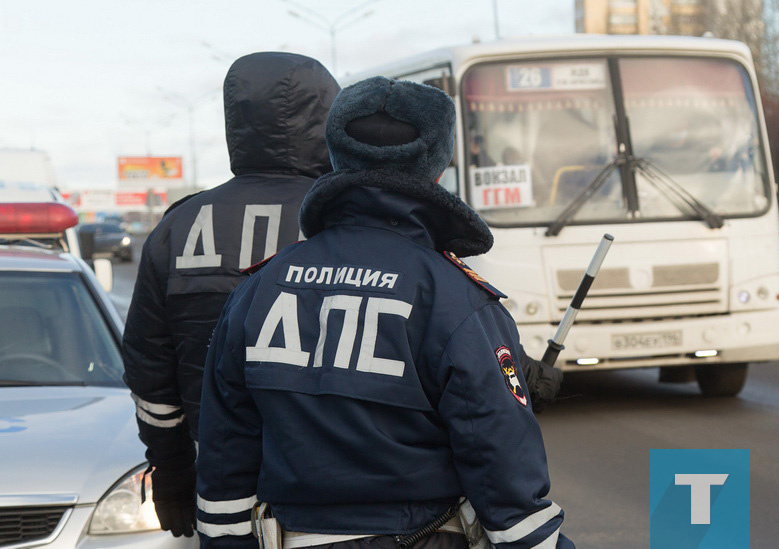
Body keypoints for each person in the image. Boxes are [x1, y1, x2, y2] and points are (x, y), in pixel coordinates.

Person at [196, 76, 574, 549]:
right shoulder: (454, 296)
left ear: (336, 155)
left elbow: (224, 448)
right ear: (438, 167)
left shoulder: (261, 286)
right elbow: (500, 461)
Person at [121, 52, 340, 538]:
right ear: (327, 116)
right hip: (340, 481)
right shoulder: (346, 219)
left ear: (236, 121)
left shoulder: (178, 226)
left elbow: (150, 371)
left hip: (219, 480)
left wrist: (172, 472)